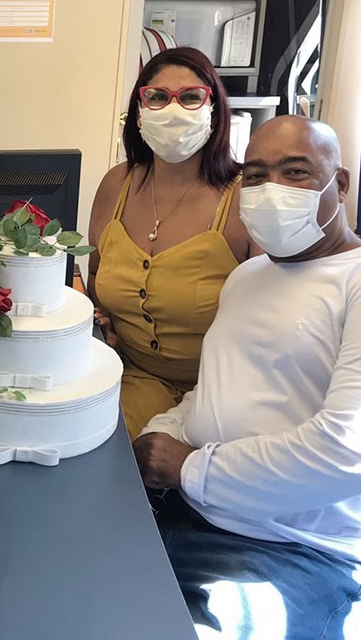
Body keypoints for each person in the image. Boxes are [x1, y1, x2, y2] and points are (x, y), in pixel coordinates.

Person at [133, 116, 361, 639]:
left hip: (299, 554)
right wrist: (155, 437)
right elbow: (213, 393)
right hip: (189, 517)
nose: (271, 188)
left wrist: (189, 467)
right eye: (255, 176)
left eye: (295, 171)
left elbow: (356, 453)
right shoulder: (248, 277)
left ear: (339, 184)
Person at [87, 47, 257, 438]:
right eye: (158, 97)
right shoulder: (116, 184)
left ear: (214, 109)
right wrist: (102, 321)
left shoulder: (244, 198)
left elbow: (270, 323)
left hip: (219, 395)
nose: (173, 109)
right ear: (139, 109)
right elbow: (95, 277)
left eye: (191, 97)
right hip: (129, 377)